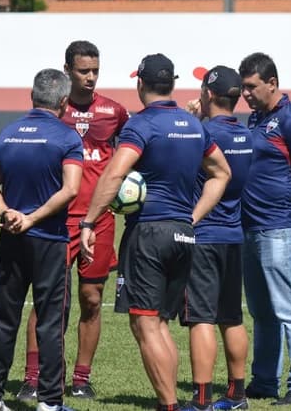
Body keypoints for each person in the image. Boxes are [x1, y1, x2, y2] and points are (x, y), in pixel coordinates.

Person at [80, 53, 232, 411]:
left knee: (145, 324)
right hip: (183, 234)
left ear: (140, 84)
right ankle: (174, 403)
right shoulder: (195, 125)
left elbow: (115, 174)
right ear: (173, 84)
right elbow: (222, 173)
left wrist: (89, 221)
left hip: (148, 233)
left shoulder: (141, 126)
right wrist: (192, 217)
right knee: (159, 322)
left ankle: (169, 406)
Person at [18, 40, 129, 401]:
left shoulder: (115, 112)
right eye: (84, 71)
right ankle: (33, 378)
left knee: (91, 298)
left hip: (98, 222)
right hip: (56, 220)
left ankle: (81, 378)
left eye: (96, 70)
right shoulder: (53, 112)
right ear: (67, 70)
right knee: (47, 300)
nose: (92, 77)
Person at [0, 68, 83, 411]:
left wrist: (9, 213)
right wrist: (33, 218)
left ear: (32, 96)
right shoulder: (67, 139)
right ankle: (51, 402)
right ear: (65, 102)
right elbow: (71, 189)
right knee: (51, 323)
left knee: (4, 319)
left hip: (11, 238)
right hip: (50, 239)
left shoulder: (6, 134)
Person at [237, 52, 291, 406]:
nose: (245, 94)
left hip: (279, 228)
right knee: (262, 311)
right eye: (243, 88)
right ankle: (265, 381)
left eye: (251, 87)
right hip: (250, 228)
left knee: (290, 308)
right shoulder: (256, 120)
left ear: (272, 83)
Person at [180, 66, 252, 411]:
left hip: (204, 235)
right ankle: (237, 395)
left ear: (209, 94)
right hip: (233, 235)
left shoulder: (202, 133)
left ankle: (202, 399)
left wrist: (190, 120)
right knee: (232, 317)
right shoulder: (246, 136)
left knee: (201, 318)